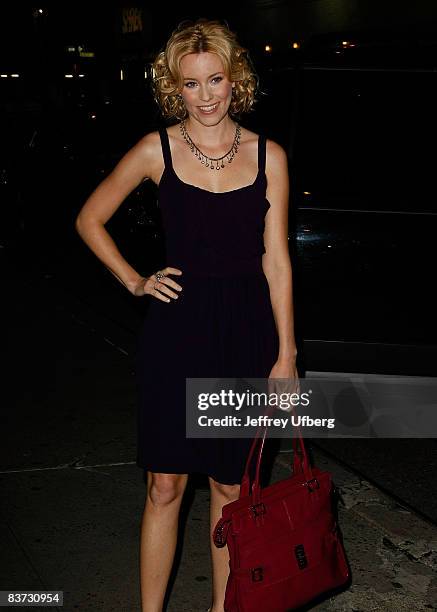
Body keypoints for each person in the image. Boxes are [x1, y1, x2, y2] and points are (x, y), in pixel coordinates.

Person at [75, 18, 298, 612]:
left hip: (245, 333)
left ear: (235, 79)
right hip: (176, 333)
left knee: (230, 487)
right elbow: (89, 218)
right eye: (191, 84)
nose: (205, 96)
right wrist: (135, 280)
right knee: (165, 485)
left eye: (216, 79)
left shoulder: (268, 155)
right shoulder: (158, 149)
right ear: (175, 87)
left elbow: (276, 261)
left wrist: (286, 355)